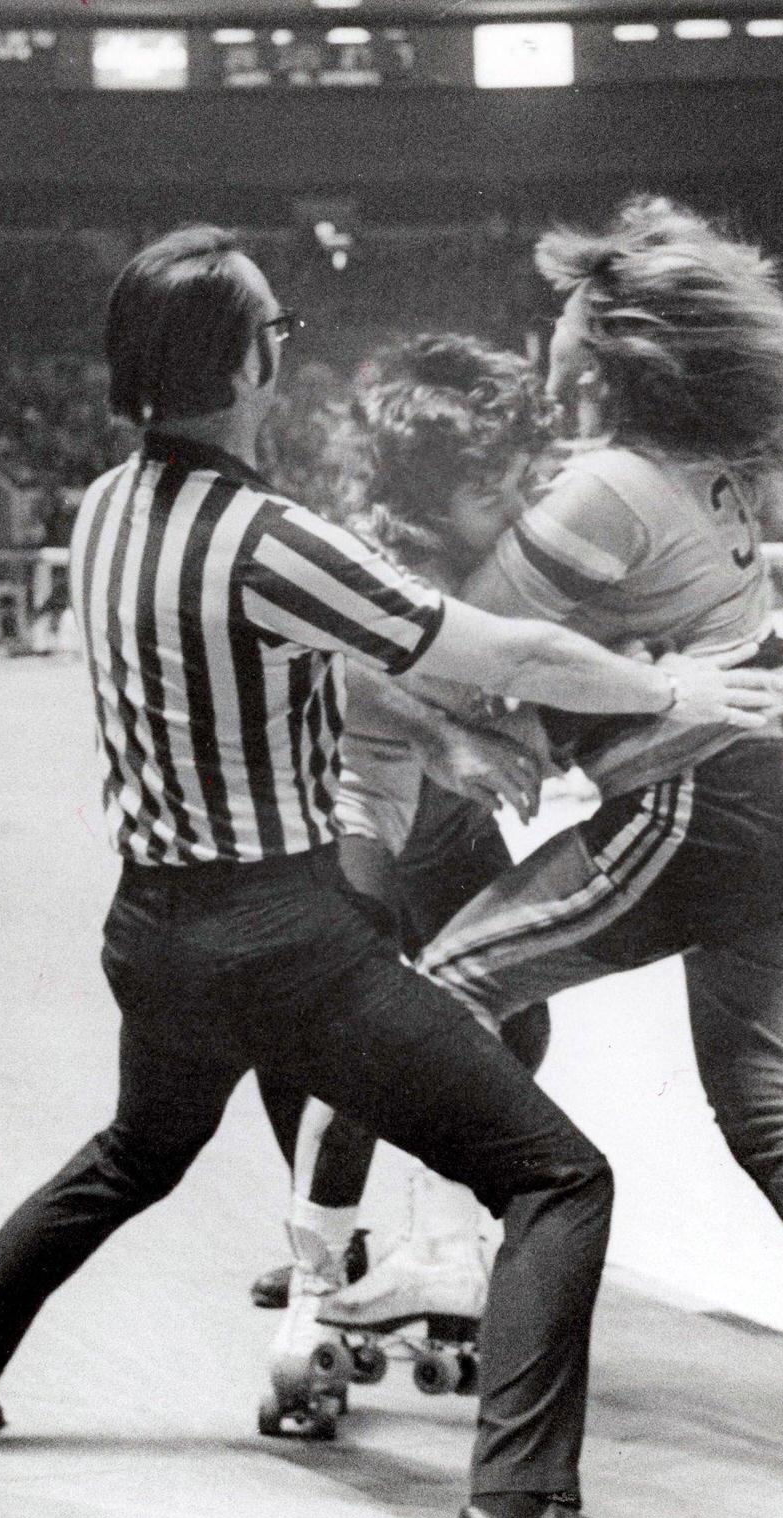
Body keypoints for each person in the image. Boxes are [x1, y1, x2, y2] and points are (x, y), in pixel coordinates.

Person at [0, 227, 783, 1518]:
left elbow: (339, 677)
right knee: (557, 1176)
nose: (284, 353)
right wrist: (682, 697)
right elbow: (512, 649)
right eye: (276, 332)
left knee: (136, 1150)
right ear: (247, 362)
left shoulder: (103, 508)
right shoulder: (270, 538)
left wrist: (458, 741)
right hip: (281, 940)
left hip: (152, 927)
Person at [327, 197, 783, 1474]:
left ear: (599, 351)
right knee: (766, 1096)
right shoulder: (704, 468)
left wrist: (450, 716)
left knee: (442, 990)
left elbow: (452, 652)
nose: (544, 332)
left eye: (562, 314)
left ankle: (438, 1250)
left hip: (711, 799)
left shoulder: (601, 486)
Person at [250, 332, 561, 1316]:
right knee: (344, 1030)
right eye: (491, 488)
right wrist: (446, 737)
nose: (512, 505)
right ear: (429, 491)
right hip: (359, 802)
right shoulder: (369, 545)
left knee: (519, 1019)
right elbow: (347, 667)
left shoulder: (498, 542)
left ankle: (437, 1237)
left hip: (448, 821)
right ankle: (322, 1254)